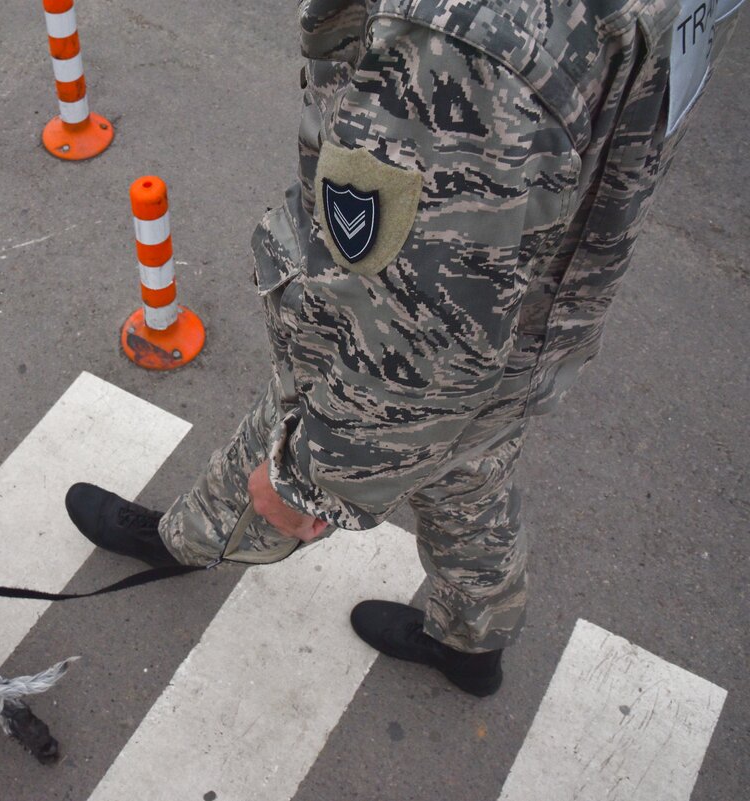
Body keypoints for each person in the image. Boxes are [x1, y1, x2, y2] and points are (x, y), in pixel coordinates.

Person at [66, 0, 743, 697]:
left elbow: (420, 330)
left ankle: (186, 537)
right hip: (535, 313)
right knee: (470, 476)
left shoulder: (475, 27)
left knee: (294, 439)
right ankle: (472, 640)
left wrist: (309, 483)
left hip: (428, 345)